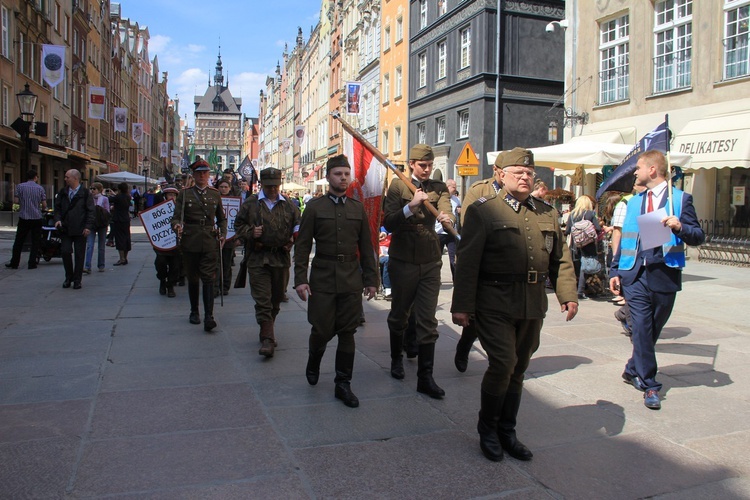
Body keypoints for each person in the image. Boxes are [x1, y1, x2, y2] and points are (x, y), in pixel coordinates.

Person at [451, 147, 578, 462]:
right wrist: (462, 304)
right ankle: (487, 428)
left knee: (519, 367)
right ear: (500, 174)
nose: (525, 177)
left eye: (529, 172)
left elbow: (561, 258)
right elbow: (467, 261)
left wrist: (568, 294)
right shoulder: (484, 210)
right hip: (494, 300)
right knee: (503, 363)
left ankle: (508, 431)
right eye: (517, 172)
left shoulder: (546, 212)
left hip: (532, 303)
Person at [609, 150, 704, 410]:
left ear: (652, 170)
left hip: (664, 273)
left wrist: (680, 227)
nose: (635, 172)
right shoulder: (634, 202)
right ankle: (650, 384)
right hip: (635, 273)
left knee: (652, 329)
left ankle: (631, 368)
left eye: (638, 167)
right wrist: (615, 270)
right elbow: (625, 239)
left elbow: (698, 236)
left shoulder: (680, 200)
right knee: (640, 327)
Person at [293, 154, 378, 408]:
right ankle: (314, 359)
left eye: (346, 174)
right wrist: (300, 279)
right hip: (323, 277)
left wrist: (371, 279)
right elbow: (302, 245)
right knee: (320, 329)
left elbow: (366, 245)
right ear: (328, 177)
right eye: (338, 174)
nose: (343, 178)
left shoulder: (357, 208)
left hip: (351, 278)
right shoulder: (314, 208)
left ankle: (343, 383)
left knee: (347, 332)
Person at [383, 144, 455, 399]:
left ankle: (426, 377)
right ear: (412, 163)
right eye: (422, 165)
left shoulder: (438, 187)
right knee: (400, 313)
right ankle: (395, 359)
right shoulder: (398, 186)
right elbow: (388, 222)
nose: (426, 169)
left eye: (429, 165)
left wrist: (448, 219)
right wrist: (410, 206)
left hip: (430, 259)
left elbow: (447, 208)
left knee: (427, 319)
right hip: (402, 259)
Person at [234, 167, 300, 355]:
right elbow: (237, 225)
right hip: (258, 258)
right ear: (262, 184)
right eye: (269, 186)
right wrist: (250, 232)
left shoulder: (288, 204)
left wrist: (294, 238)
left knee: (276, 299)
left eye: (275, 186)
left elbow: (298, 223)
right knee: (263, 299)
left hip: (280, 258)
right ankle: (268, 339)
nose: (272, 190)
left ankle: (266, 328)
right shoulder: (251, 204)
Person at [453, 155, 505, 372]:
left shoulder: (522, 195)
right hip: (482, 260)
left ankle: (500, 362)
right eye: (505, 171)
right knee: (475, 315)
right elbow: (468, 224)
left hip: (508, 264)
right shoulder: (479, 190)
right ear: (496, 170)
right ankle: (465, 346)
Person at [172, 159, 227, 332]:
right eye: (199, 173)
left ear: (209, 175)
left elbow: (222, 218)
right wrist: (177, 226)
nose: (202, 176)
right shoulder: (185, 194)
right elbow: (176, 217)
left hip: (210, 240)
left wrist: (223, 233)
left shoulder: (215, 194)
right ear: (194, 175)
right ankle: (194, 311)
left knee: (209, 278)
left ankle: (209, 315)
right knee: (193, 278)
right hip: (190, 241)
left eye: (205, 173)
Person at [54, 169, 95, 289]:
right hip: (65, 228)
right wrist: (57, 219)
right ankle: (68, 277)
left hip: (80, 228)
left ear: (75, 178)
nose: (65, 179)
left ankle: (77, 279)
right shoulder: (63, 192)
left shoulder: (85, 193)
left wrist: (88, 226)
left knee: (79, 255)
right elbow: (57, 208)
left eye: (67, 177)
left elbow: (91, 211)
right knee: (65, 252)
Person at [6, 169, 46, 270]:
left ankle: (14, 263)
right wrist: (40, 208)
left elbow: (16, 201)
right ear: (35, 177)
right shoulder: (40, 188)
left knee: (19, 240)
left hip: (24, 217)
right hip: (36, 218)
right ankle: (32, 263)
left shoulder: (20, 186)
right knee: (35, 241)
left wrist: (24, 204)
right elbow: (44, 204)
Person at [565, 196, 602, 300]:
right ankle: (580, 291)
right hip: (588, 245)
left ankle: (574, 289)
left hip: (575, 245)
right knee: (584, 268)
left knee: (576, 267)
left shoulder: (572, 215)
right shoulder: (590, 214)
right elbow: (598, 228)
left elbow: (567, 231)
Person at [154, 186, 181, 298]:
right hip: (162, 244)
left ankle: (170, 286)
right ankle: (162, 280)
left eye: (174, 195)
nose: (172, 197)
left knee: (175, 266)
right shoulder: (158, 209)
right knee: (160, 264)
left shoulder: (180, 209)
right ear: (165, 196)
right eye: (169, 195)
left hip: (176, 243)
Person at [435, 178, 461, 280]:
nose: (455, 189)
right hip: (438, 232)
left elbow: (458, 213)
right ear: (448, 187)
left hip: (451, 232)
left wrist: (460, 211)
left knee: (453, 259)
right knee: (437, 259)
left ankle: (456, 280)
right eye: (454, 187)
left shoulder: (456, 199)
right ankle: (436, 279)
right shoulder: (438, 198)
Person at [214, 179, 236, 297]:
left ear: (229, 188)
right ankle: (215, 286)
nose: (223, 189)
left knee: (226, 264)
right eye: (221, 187)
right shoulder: (213, 198)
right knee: (216, 264)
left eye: (225, 187)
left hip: (229, 237)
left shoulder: (235, 200)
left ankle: (225, 286)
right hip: (215, 236)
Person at [84, 182, 110, 273]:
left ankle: (101, 265)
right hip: (91, 225)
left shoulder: (104, 199)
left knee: (101, 246)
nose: (92, 190)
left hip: (101, 224)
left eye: (94, 189)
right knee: (90, 245)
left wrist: (99, 209)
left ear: (99, 189)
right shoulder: (89, 199)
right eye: (91, 188)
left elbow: (107, 212)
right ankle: (87, 266)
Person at [111, 182, 132, 266]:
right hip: (126, 219)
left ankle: (121, 258)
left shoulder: (117, 197)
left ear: (119, 189)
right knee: (126, 237)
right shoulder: (128, 197)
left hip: (118, 219)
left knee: (119, 238)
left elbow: (110, 200)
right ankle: (125, 258)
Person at [378, 230, 392, 297]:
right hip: (382, 256)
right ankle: (388, 288)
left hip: (392, 256)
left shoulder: (390, 237)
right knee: (387, 260)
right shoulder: (375, 241)